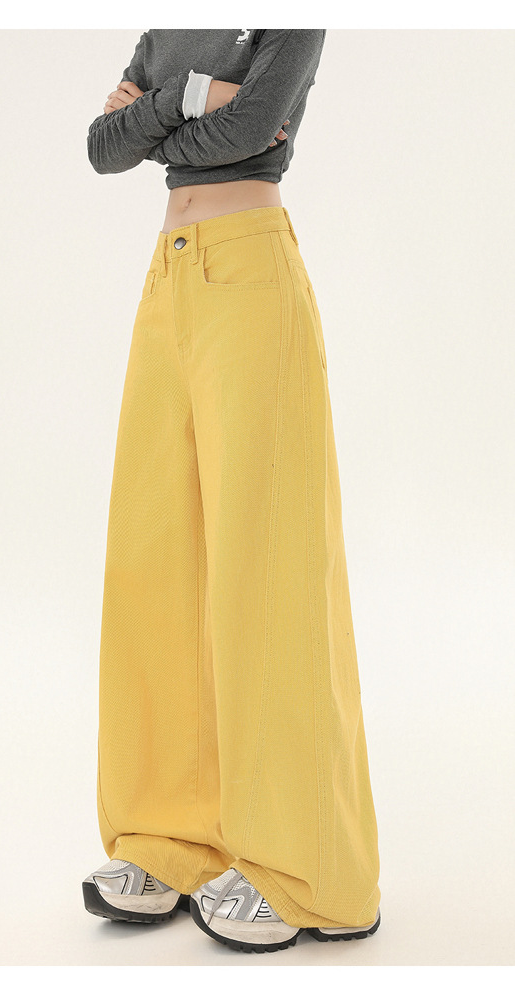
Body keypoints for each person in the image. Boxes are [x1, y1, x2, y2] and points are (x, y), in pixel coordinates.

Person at [81, 29, 382, 955]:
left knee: (269, 568)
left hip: (251, 275)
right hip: (169, 280)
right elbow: (103, 147)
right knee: (154, 562)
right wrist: (193, 95)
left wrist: (157, 112)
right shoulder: (168, 27)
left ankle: (312, 871)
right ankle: (169, 839)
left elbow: (250, 130)